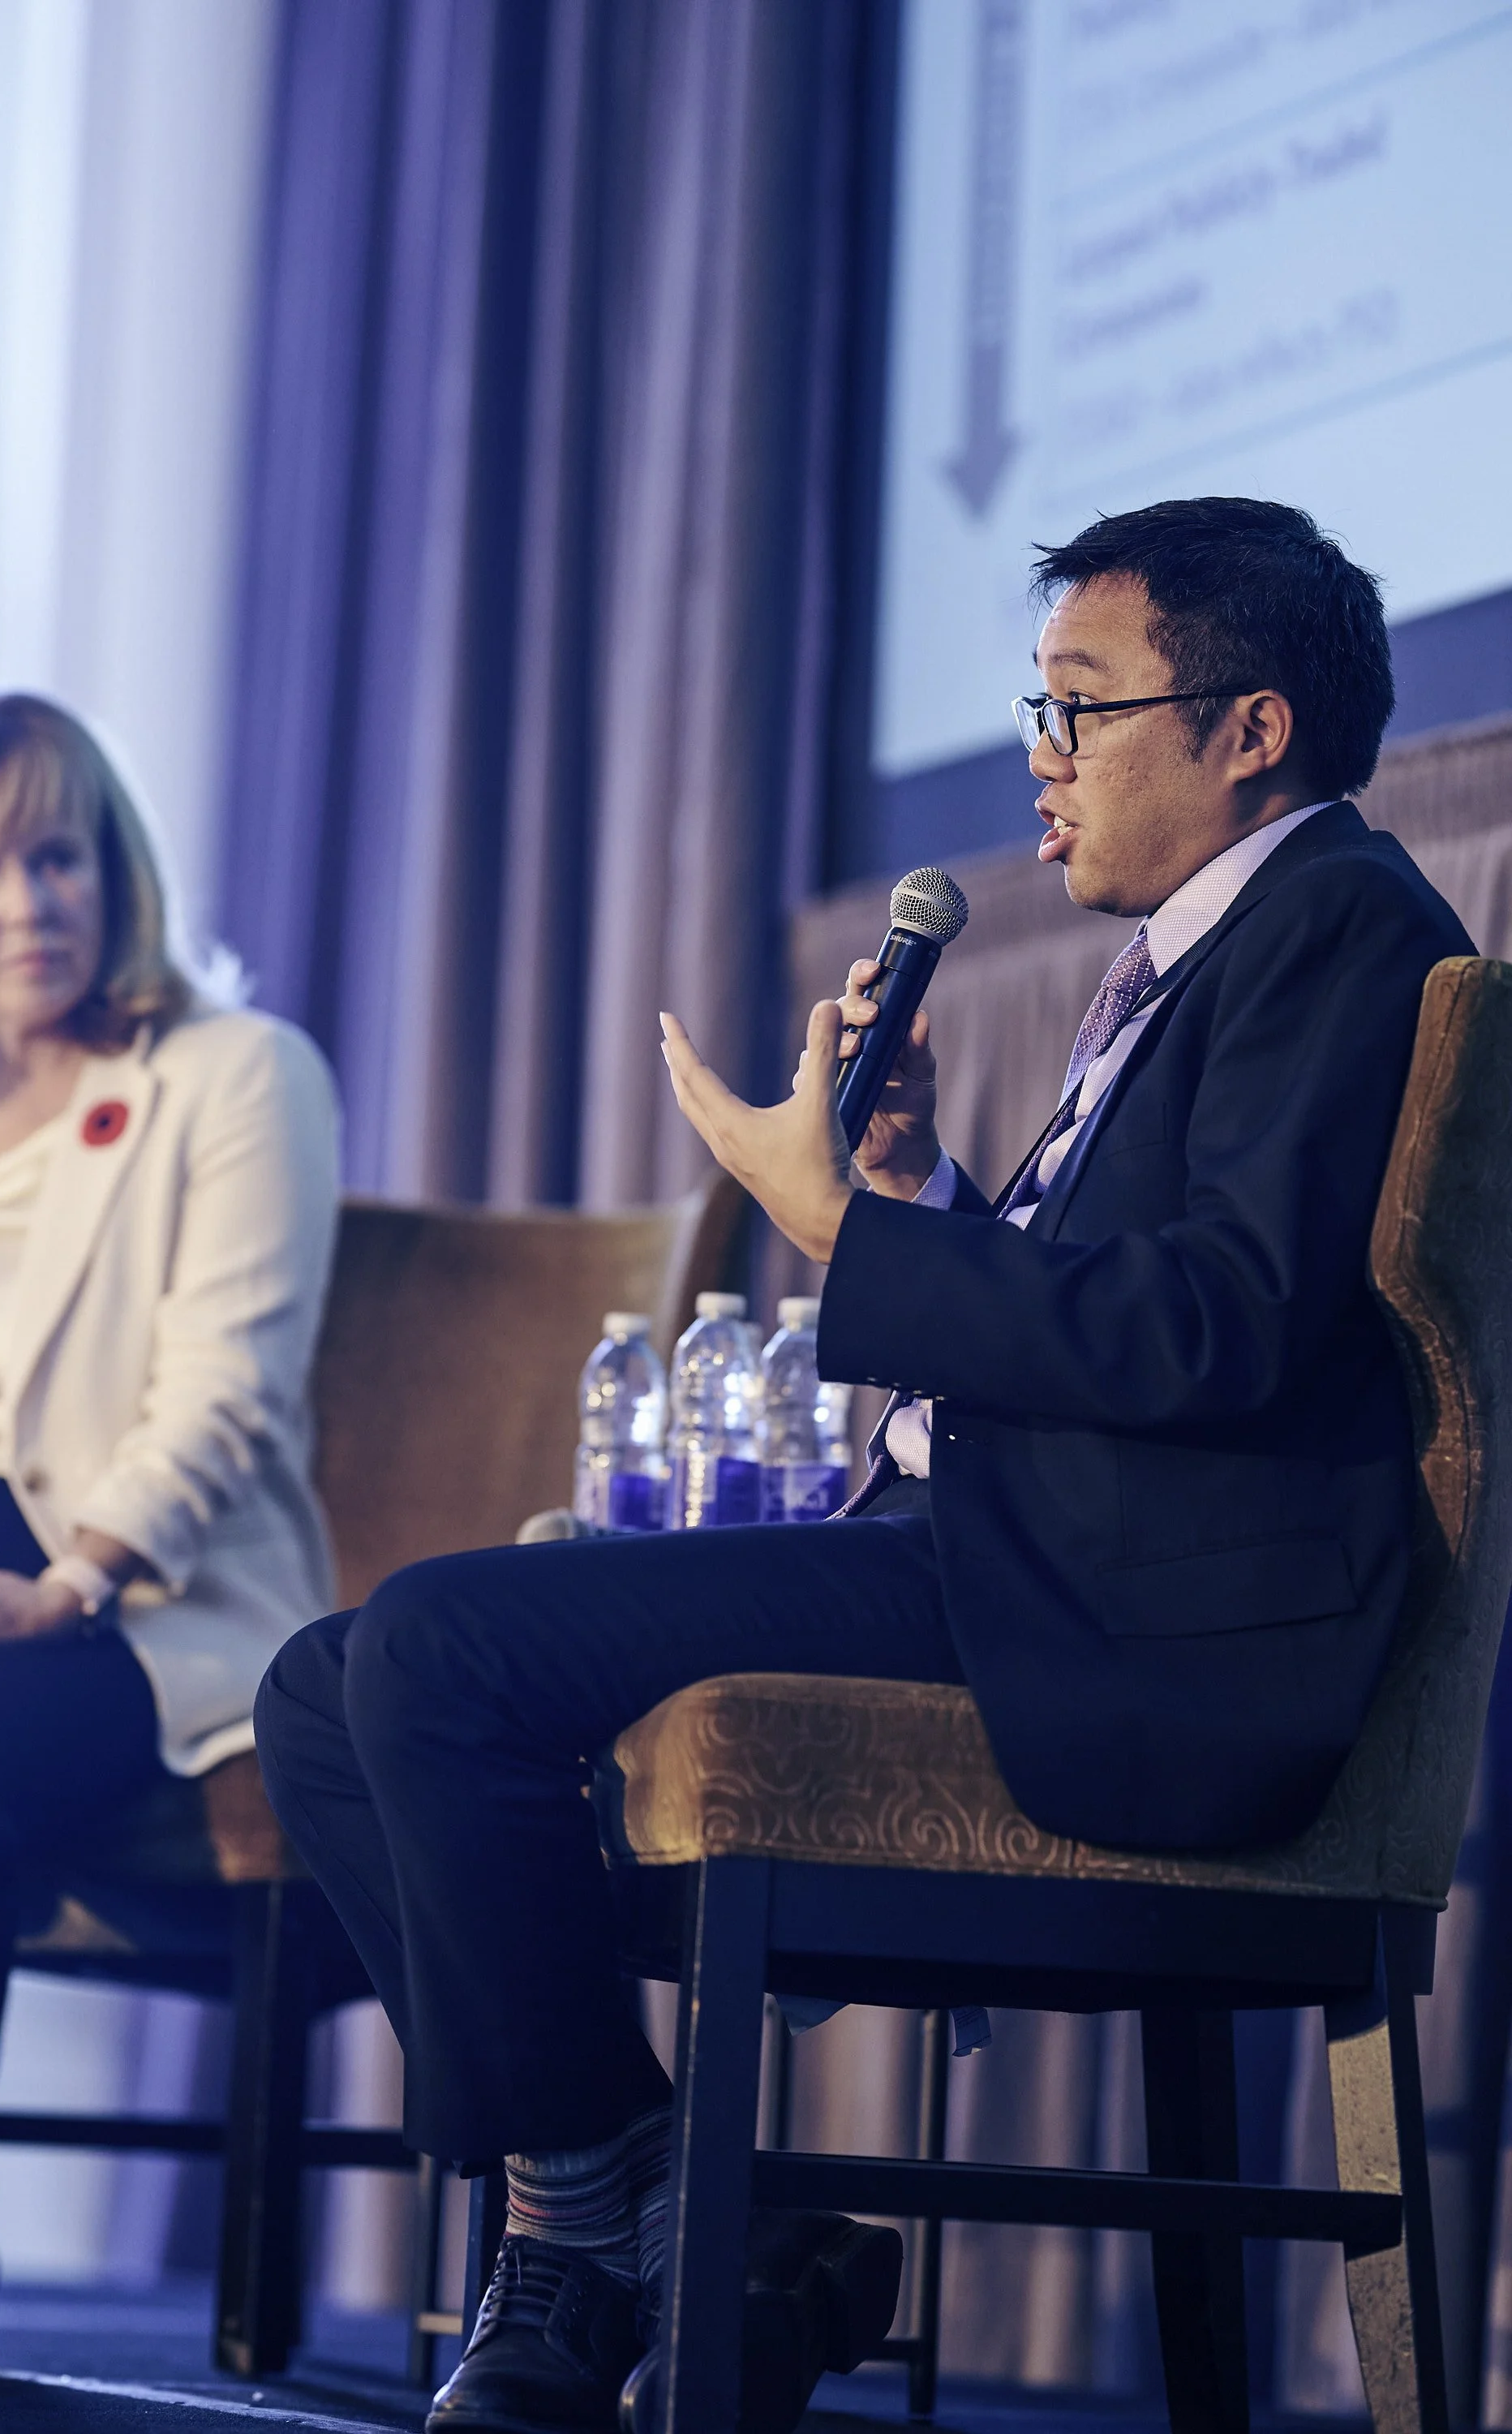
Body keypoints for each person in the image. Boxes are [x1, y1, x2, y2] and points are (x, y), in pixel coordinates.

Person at [256, 498, 1473, 2433]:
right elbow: (1137, 1309)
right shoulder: (1204, 945)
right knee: (327, 1688)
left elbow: (1217, 1328)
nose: (1040, 762)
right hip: (1012, 1548)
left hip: (1112, 1622)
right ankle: (662, 2227)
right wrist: (916, 1193)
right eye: (1036, 711)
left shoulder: (1335, 924)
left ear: (1250, 728)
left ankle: (603, 2239)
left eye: (1082, 710)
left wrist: (849, 1233)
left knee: (431, 1653)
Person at [0, 693, 339, 2350]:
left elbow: (224, 1392)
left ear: (113, 868)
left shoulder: (232, 1075)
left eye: (58, 856)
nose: (28, 904)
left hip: (140, 1607)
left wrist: (65, 1586)